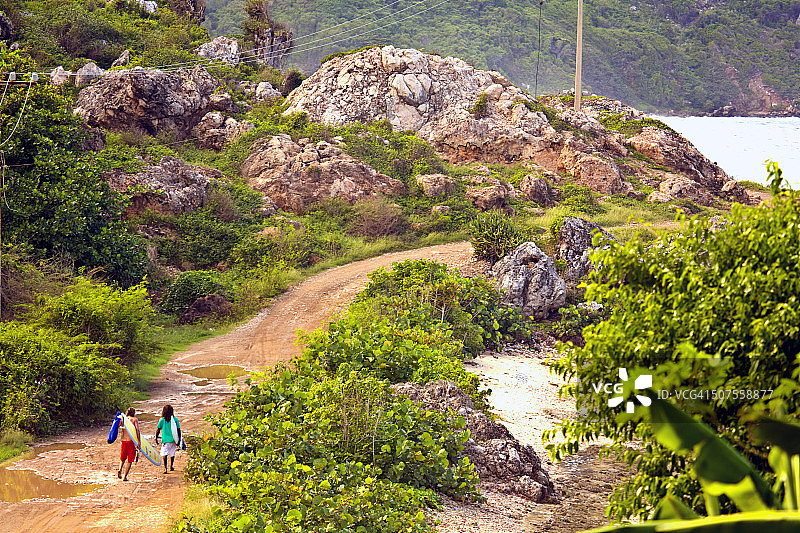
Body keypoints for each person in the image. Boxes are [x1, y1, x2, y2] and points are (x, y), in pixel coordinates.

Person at [155, 404, 181, 474]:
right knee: (172, 453)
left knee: (164, 454)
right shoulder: (175, 419)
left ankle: (165, 468)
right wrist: (179, 439)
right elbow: (178, 430)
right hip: (173, 440)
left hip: (165, 440)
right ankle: (171, 466)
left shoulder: (162, 420)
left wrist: (156, 438)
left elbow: (158, 429)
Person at [117, 407, 140, 481]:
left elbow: (118, 426)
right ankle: (125, 476)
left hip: (123, 440)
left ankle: (120, 470)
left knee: (122, 458)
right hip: (130, 441)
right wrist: (139, 441)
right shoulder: (134, 419)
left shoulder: (123, 419)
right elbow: (137, 430)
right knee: (130, 459)